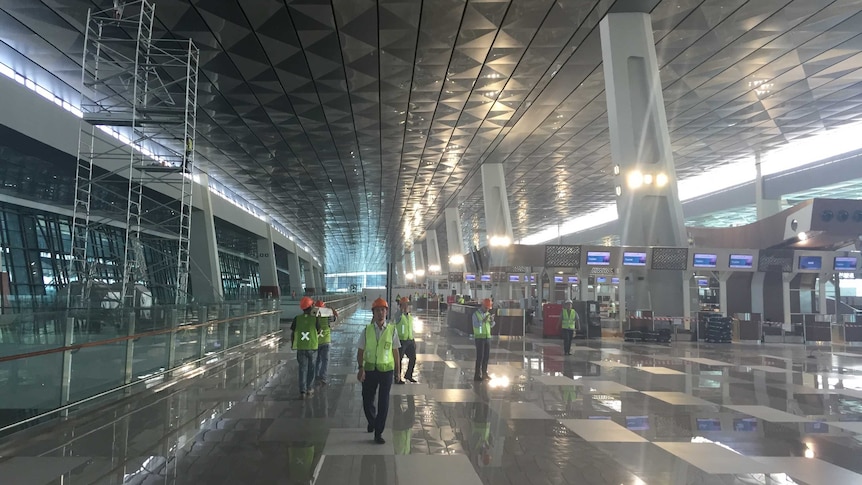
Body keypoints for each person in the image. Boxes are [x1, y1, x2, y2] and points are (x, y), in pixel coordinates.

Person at [357, 297, 401, 444]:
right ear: (373, 313)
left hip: (386, 371)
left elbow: (396, 352)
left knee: (384, 402)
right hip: (369, 369)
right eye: (378, 310)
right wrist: (360, 368)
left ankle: (378, 432)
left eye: (383, 310)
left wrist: (398, 372)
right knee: (367, 399)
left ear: (386, 312)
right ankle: (372, 421)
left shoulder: (392, 330)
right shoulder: (367, 330)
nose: (381, 313)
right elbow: (360, 351)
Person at [291, 296, 321, 398]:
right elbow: (319, 331)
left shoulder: (297, 318)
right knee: (311, 368)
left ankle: (302, 391)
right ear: (311, 306)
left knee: (302, 369)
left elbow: (293, 332)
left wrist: (292, 344)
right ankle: (309, 388)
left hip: (300, 347)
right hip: (312, 347)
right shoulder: (315, 319)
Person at [393, 297, 417, 384]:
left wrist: (413, 339)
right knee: (398, 360)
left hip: (410, 341)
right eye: (406, 304)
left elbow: (410, 329)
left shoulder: (410, 316)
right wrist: (401, 309)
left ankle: (408, 375)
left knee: (413, 358)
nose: (408, 306)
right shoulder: (399, 315)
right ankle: (397, 377)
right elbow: (395, 319)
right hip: (401, 341)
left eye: (408, 304)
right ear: (401, 305)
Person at [314, 300, 336, 385]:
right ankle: (323, 377)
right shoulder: (328, 315)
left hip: (316, 341)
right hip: (326, 340)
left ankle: (316, 376)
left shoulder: (314, 316)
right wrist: (332, 310)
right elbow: (335, 318)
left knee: (317, 360)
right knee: (325, 360)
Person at [472, 298, 495, 381]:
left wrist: (492, 321)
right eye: (486, 308)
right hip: (479, 338)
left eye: (488, 308)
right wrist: (483, 321)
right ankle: (477, 375)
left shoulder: (488, 314)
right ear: (482, 306)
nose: (487, 310)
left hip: (487, 338)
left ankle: (485, 374)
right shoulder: (476, 314)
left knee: (486, 357)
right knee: (480, 357)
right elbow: (476, 325)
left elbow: (491, 325)